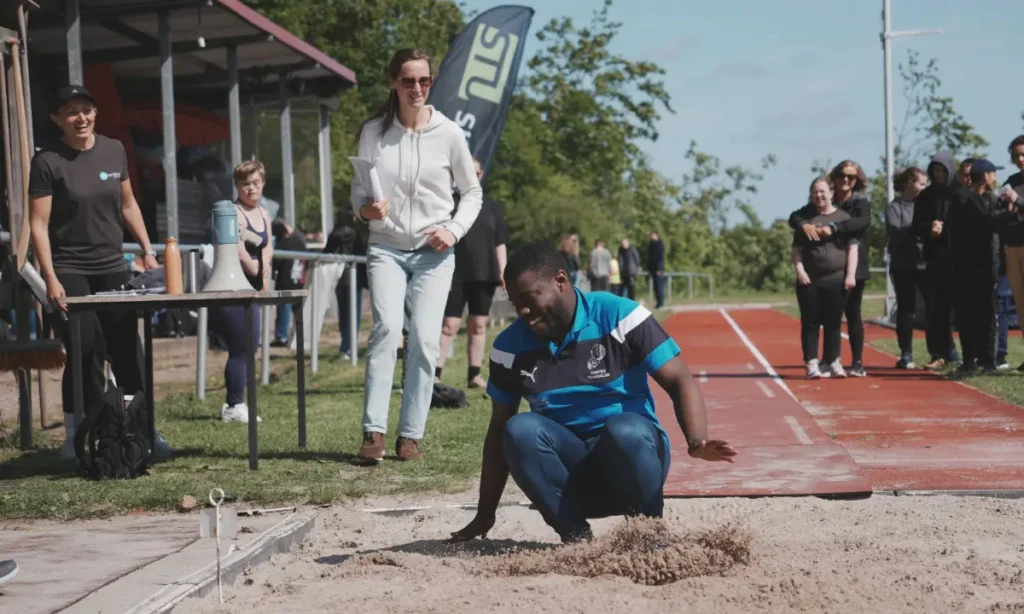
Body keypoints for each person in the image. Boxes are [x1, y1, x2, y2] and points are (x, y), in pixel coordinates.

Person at [448, 241, 735, 545]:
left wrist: (696, 441)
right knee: (518, 428)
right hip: (570, 479)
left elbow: (680, 380)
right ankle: (577, 540)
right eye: (515, 302)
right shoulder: (508, 347)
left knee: (625, 428)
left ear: (560, 281)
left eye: (530, 298)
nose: (524, 311)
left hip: (633, 464)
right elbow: (497, 431)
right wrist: (485, 512)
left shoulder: (619, 315)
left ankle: (651, 539)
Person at [352, 48, 482, 464]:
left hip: (434, 251)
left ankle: (411, 436)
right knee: (387, 329)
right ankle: (373, 432)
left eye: (424, 81)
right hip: (386, 246)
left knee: (426, 340)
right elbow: (358, 193)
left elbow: (473, 193)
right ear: (393, 82)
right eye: (408, 80)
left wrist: (453, 229)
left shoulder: (449, 133)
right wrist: (365, 211)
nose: (417, 88)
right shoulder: (374, 132)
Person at [28, 85, 157, 460]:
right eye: (71, 112)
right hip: (70, 268)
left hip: (113, 266)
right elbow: (39, 225)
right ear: (57, 119)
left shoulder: (114, 149)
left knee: (127, 351)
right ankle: (76, 434)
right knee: (84, 351)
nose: (81, 118)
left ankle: (140, 430)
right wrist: (49, 277)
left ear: (96, 113)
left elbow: (129, 204)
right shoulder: (47, 162)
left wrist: (147, 250)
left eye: (87, 110)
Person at [788, 161, 871, 377]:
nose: (820, 196)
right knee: (811, 322)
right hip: (811, 280)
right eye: (816, 192)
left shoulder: (854, 209)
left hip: (839, 277)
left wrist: (850, 275)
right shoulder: (805, 217)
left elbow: (855, 240)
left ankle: (839, 361)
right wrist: (801, 271)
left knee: (838, 321)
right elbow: (795, 244)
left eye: (823, 192)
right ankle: (813, 362)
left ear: (830, 193)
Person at [207, 161, 273, 422]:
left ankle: (236, 402)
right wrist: (254, 267)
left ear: (263, 183)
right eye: (246, 183)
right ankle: (234, 405)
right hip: (232, 285)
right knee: (240, 347)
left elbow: (266, 245)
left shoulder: (264, 213)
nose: (251, 188)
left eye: (256, 182)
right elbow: (236, 249)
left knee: (250, 344)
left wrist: (264, 268)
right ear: (237, 186)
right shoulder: (231, 212)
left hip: (255, 284)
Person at [437, 158, 508, 389]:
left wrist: (503, 270)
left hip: (485, 273)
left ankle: (474, 375)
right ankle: (435, 375)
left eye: (476, 172)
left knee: (478, 324)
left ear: (481, 174)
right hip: (454, 272)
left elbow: (500, 242)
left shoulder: (491, 206)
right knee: (449, 325)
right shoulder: (449, 204)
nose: (472, 176)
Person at [949, 159, 1006, 374]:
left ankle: (988, 360)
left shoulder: (992, 198)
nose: (995, 178)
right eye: (993, 174)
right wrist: (1007, 213)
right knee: (967, 313)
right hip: (965, 265)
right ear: (984, 176)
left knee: (988, 313)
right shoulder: (962, 198)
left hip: (988, 264)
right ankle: (968, 360)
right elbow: (982, 222)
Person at [912, 152, 963, 369]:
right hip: (934, 259)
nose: (940, 175)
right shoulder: (925, 196)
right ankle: (937, 353)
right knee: (935, 308)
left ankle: (961, 353)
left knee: (960, 308)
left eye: (943, 171)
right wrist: (929, 230)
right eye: (936, 171)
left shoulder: (959, 194)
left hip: (958, 259)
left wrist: (947, 230)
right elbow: (916, 226)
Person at [886, 167, 929, 368]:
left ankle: (943, 352)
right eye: (921, 183)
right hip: (903, 266)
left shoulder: (927, 205)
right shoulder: (894, 207)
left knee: (935, 308)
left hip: (926, 264)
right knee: (906, 310)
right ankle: (906, 354)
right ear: (910, 183)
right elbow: (896, 233)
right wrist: (922, 230)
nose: (924, 187)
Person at [324, 211, 368, 360]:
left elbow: (326, 252)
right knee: (353, 314)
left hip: (338, 277)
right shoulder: (355, 235)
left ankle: (344, 345)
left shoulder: (333, 235)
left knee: (343, 313)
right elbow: (362, 255)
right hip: (353, 277)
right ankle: (349, 347)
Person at [998, 135, 1024, 370]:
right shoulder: (1012, 180)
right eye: (1016, 156)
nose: (1020, 159)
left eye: (1023, 154)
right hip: (1013, 246)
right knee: (1020, 303)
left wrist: (1019, 200)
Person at [270, 219, 306, 346]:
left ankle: (281, 337)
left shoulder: (282, 243)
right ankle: (299, 336)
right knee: (299, 311)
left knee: (284, 309)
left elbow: (276, 263)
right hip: (300, 280)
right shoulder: (300, 242)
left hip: (285, 281)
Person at [647, 231, 666, 308]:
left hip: (658, 269)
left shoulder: (660, 244)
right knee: (655, 287)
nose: (652, 237)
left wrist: (659, 268)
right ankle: (658, 302)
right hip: (652, 269)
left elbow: (660, 257)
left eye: (653, 235)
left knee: (659, 286)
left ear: (657, 236)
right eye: (651, 235)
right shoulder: (651, 245)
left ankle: (661, 303)